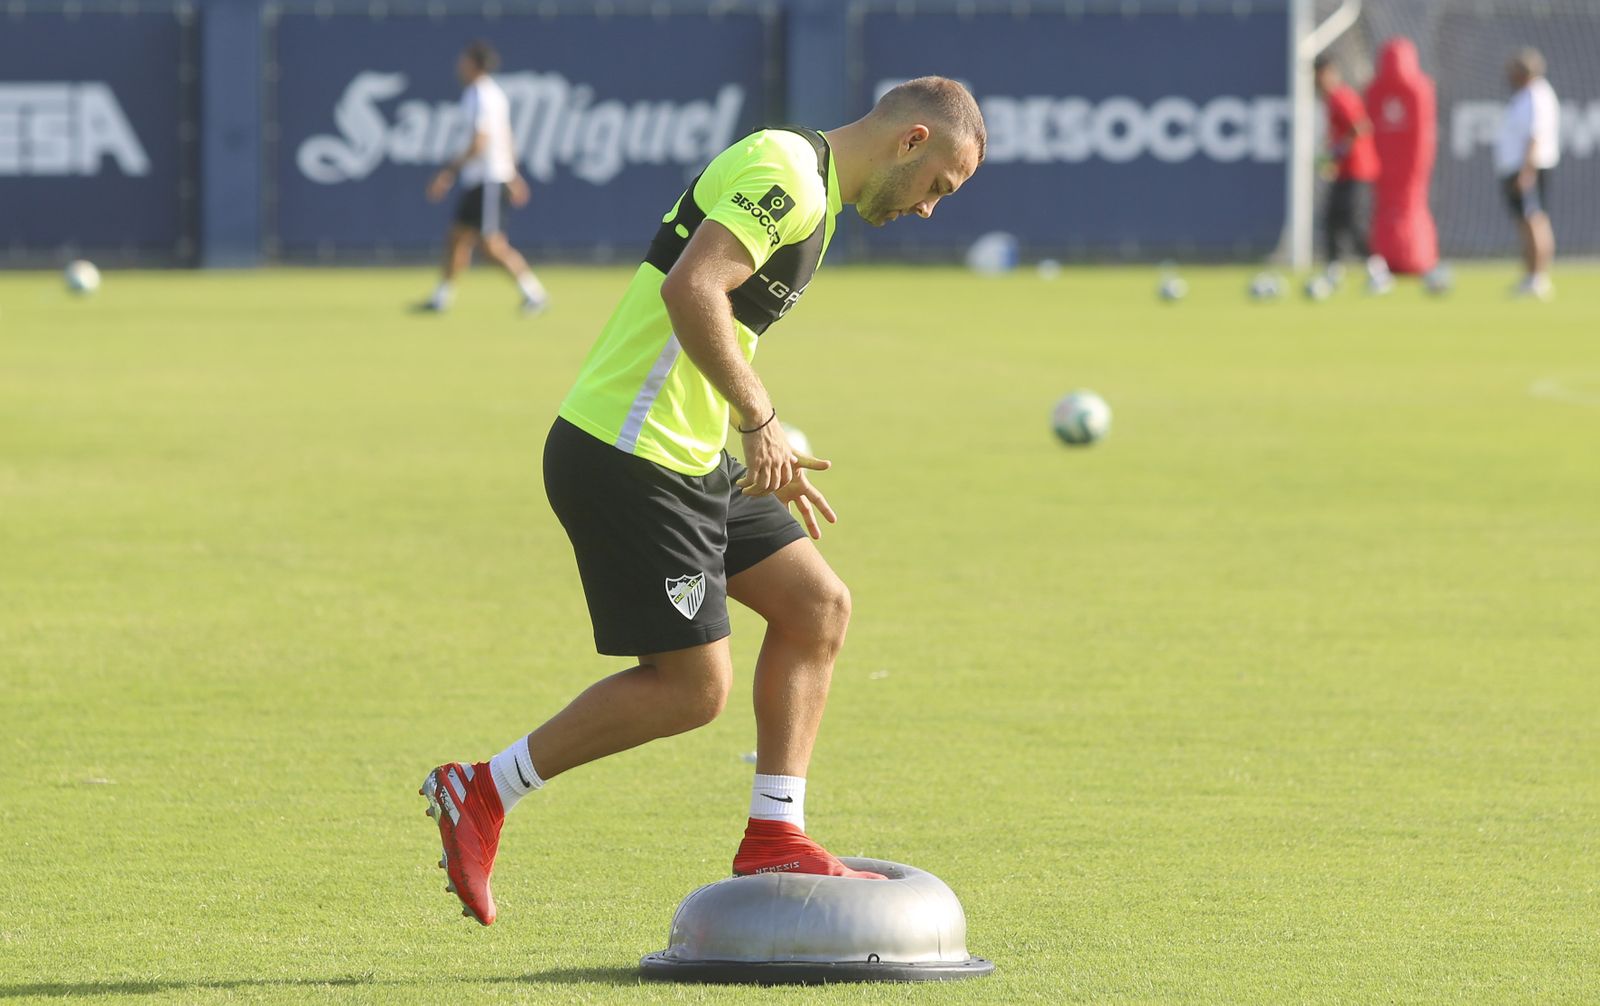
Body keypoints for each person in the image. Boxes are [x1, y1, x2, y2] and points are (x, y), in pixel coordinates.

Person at [420, 77, 986, 926]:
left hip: (686, 454)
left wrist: (765, 423)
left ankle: (775, 833)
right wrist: (757, 417)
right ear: (911, 140)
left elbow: (712, 331)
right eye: (939, 185)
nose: (930, 208)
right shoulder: (789, 173)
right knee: (691, 689)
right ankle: (482, 791)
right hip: (626, 453)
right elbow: (692, 290)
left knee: (816, 608)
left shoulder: (816, 196)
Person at [415, 41, 548, 315]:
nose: (459, 65)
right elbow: (506, 137)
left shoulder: (481, 95)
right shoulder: (486, 94)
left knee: (491, 246)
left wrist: (448, 172)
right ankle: (441, 298)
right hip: (483, 179)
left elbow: (482, 140)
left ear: (475, 64)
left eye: (464, 60)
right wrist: (513, 174)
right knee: (456, 238)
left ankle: (534, 294)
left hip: (488, 179)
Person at [1313, 54, 1392, 294]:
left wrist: (1336, 153)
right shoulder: (1331, 99)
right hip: (1346, 171)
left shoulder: (1340, 96)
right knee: (1330, 218)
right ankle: (1333, 272)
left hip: (1357, 169)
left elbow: (1360, 126)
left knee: (1351, 220)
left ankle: (1379, 272)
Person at [1496, 47, 1560, 300]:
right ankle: (1530, 275)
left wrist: (1527, 171)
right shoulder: (1525, 95)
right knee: (1525, 221)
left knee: (1534, 220)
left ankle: (1539, 277)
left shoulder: (1537, 95)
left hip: (1528, 168)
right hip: (1518, 168)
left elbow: (1534, 136)